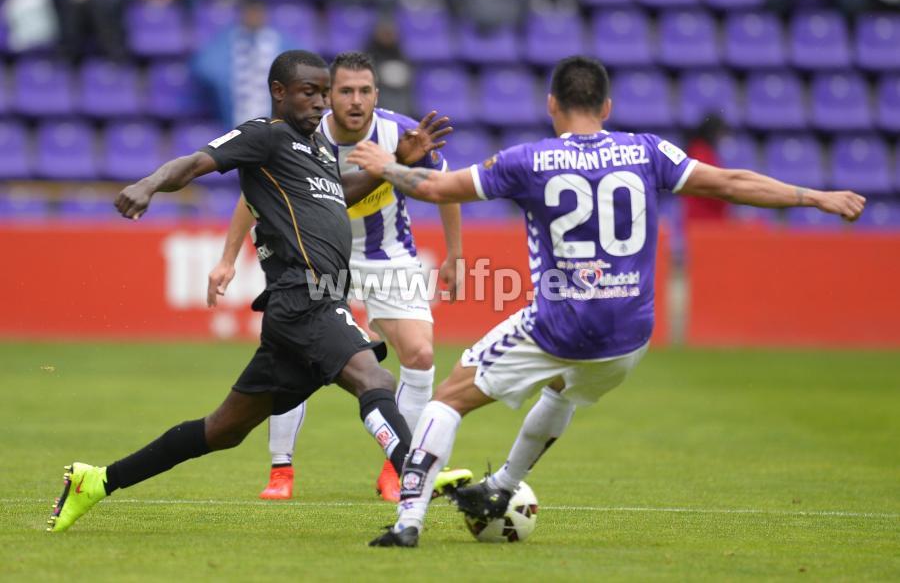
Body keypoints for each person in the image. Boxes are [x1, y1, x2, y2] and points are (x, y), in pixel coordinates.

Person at [346, 55, 866, 547]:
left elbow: (438, 189)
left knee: (447, 398)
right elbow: (730, 183)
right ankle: (503, 483)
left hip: (559, 324)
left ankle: (408, 519)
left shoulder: (529, 160)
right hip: (629, 336)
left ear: (552, 104)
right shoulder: (647, 152)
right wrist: (815, 197)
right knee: (562, 392)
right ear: (607, 108)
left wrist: (385, 165)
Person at [46, 49, 469, 533]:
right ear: (279, 92)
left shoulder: (318, 150)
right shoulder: (264, 136)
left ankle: (96, 481)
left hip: (303, 307)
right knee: (374, 380)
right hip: (302, 296)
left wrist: (394, 162)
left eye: (322, 92)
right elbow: (194, 162)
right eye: (309, 92)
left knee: (221, 430)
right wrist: (149, 184)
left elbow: (341, 192)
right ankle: (417, 474)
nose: (319, 102)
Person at [207, 51, 463, 502]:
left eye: (365, 91)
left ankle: (395, 468)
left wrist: (455, 255)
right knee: (298, 357)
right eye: (344, 91)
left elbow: (445, 185)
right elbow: (253, 198)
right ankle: (281, 469)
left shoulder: (399, 132)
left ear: (376, 95)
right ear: (328, 95)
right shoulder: (301, 133)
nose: (355, 101)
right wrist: (227, 258)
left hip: (387, 256)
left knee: (421, 354)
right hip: (319, 258)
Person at [192, 0, 296, 129]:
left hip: (276, 125)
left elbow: (301, 65)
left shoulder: (281, 40)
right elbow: (203, 67)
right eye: (250, 12)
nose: (254, 17)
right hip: (232, 120)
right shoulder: (226, 40)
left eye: (257, 12)